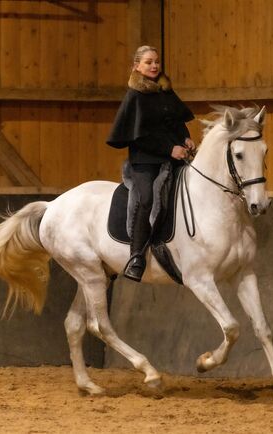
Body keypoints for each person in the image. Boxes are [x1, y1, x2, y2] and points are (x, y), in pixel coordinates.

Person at [106, 45, 196, 282]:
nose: (154, 66)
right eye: (148, 62)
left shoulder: (164, 91)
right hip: (145, 161)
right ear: (136, 66)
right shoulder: (134, 97)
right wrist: (170, 148)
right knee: (146, 198)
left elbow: (175, 121)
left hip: (171, 156)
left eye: (156, 61)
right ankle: (136, 256)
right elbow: (140, 136)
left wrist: (185, 138)